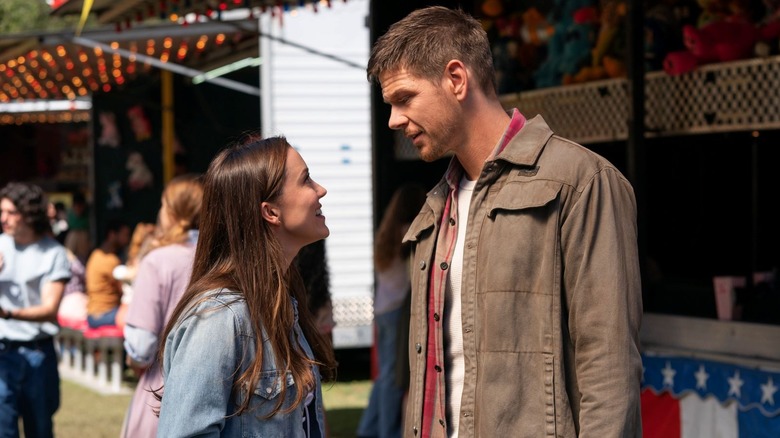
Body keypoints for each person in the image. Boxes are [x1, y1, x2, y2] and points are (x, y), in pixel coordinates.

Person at [367, 6, 643, 437]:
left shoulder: (581, 180)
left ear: (456, 79)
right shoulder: (436, 207)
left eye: (404, 98)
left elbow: (609, 366)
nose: (394, 119)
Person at [156, 134, 337, 437]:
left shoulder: (281, 301)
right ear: (270, 212)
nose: (321, 190)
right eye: (306, 180)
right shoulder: (219, 318)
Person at [120, 174, 203, 438]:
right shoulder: (226, 256)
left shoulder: (158, 261)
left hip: (163, 391)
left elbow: (142, 346)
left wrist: (134, 359)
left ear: (173, 211)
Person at [0, 182, 71, 438]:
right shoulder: (0, 245)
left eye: (10, 212)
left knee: (39, 429)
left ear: (28, 214)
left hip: (37, 352)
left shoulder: (53, 254)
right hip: (3, 351)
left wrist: (7, 313)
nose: (3, 219)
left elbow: (49, 309)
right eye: (1, 212)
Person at [357, 183, 427, 438]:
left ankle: (369, 428)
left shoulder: (386, 232)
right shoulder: (409, 232)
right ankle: (388, 431)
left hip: (383, 309)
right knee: (393, 376)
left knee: (385, 374)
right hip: (399, 311)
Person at [84, 219, 131, 329]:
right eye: (125, 235)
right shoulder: (111, 261)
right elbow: (123, 291)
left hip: (92, 315)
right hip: (105, 315)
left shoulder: (95, 254)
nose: (127, 239)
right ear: (112, 235)